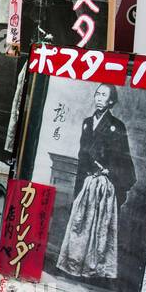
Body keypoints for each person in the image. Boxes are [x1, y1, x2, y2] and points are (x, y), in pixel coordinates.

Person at [55, 83, 135, 280]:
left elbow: (124, 159)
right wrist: (79, 185)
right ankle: (73, 265)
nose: (99, 98)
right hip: (87, 182)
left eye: (104, 95)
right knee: (80, 224)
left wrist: (110, 172)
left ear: (111, 101)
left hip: (103, 186)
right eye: (97, 94)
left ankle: (94, 269)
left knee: (99, 228)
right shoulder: (87, 122)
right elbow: (82, 157)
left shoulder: (117, 126)